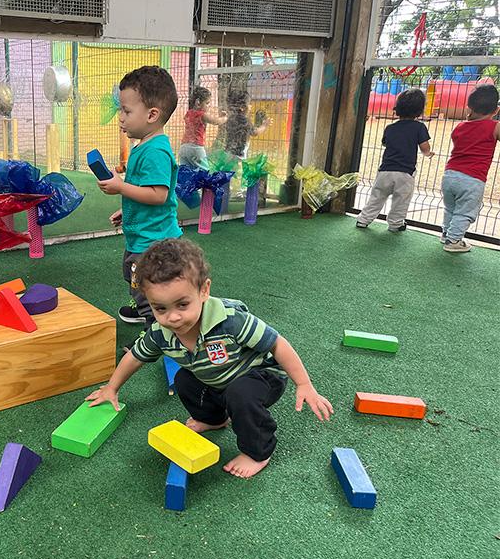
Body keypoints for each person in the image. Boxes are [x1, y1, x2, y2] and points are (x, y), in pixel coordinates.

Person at [86, 239, 333, 479]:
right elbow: (135, 357)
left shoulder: (230, 320)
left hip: (261, 376)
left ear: (204, 290)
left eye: (182, 304)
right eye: (160, 308)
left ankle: (258, 453)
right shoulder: (160, 333)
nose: (173, 317)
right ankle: (214, 419)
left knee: (240, 393)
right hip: (218, 379)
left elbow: (277, 343)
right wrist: (112, 388)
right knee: (184, 379)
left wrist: (304, 384)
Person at [95, 65, 183, 342]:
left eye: (126, 111)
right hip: (142, 235)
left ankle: (156, 333)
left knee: (148, 284)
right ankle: (142, 308)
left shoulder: (155, 151)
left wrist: (120, 186)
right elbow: (145, 190)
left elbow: (158, 195)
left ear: (152, 115)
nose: (120, 117)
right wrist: (127, 208)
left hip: (154, 242)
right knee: (132, 275)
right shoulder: (143, 145)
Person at [356, 88, 433, 232]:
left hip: (385, 171)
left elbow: (385, 143)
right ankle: (395, 224)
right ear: (420, 110)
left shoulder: (390, 127)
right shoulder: (419, 127)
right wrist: (428, 153)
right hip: (405, 173)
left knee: (377, 197)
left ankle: (363, 219)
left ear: (397, 107)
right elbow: (424, 147)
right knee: (401, 201)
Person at [440, 84, 499, 253]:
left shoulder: (459, 127)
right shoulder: (495, 126)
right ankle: (453, 240)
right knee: (465, 212)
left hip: (449, 176)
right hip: (472, 180)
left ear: (469, 108)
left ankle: (446, 234)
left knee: (450, 208)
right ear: (496, 110)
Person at [178, 85, 227, 169]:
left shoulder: (188, 113)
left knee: (186, 172)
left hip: (183, 148)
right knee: (204, 171)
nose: (209, 106)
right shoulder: (202, 115)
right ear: (198, 102)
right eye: (207, 103)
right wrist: (225, 118)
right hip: (196, 148)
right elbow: (216, 121)